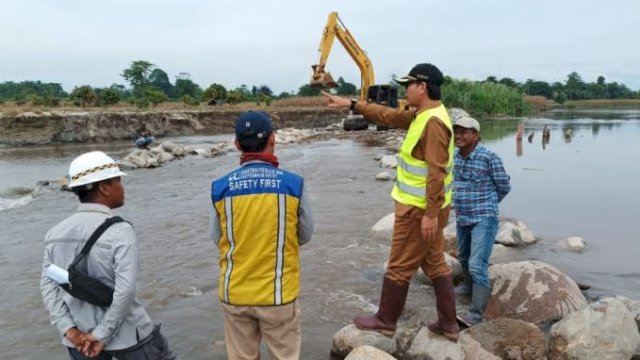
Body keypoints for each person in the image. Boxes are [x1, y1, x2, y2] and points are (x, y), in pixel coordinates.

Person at [323, 63, 459, 341]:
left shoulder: (433, 123)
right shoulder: (424, 115)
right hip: (427, 208)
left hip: (418, 211)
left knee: (398, 265)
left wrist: (430, 215)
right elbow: (388, 115)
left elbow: (436, 172)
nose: (404, 90)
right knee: (434, 264)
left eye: (408, 85)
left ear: (422, 87)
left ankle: (385, 320)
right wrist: (352, 104)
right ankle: (449, 324)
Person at [40, 151, 177, 359]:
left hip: (80, 345)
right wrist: (101, 335)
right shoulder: (120, 231)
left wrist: (69, 330)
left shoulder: (54, 234)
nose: (122, 187)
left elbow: (48, 286)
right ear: (104, 188)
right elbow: (125, 291)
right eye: (118, 181)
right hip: (130, 340)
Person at [209, 111, 314, 359]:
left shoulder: (220, 188)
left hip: (234, 293)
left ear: (236, 144)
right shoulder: (293, 185)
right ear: (273, 139)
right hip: (278, 294)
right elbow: (306, 234)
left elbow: (217, 237)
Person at [451, 117, 511, 327]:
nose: (459, 136)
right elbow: (455, 185)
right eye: (456, 131)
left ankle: (476, 315)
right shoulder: (456, 157)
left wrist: (488, 205)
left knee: (477, 265)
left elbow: (504, 185)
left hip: (483, 218)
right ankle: (468, 289)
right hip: (463, 217)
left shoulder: (489, 157)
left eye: (464, 132)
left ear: (476, 135)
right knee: (464, 258)